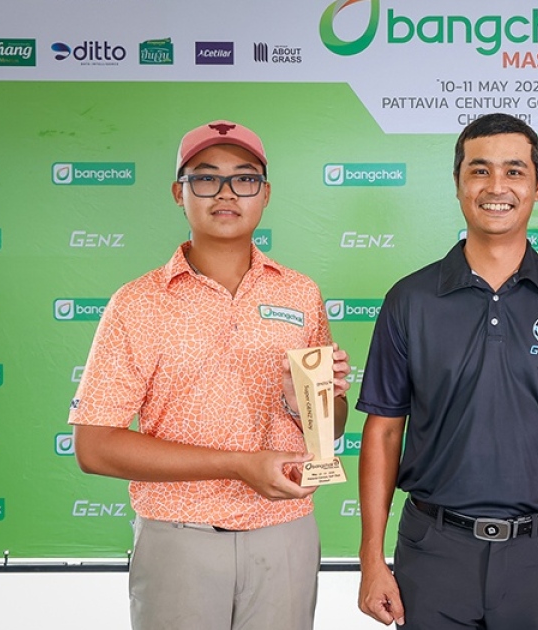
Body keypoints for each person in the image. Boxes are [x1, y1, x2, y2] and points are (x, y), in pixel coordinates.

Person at [68, 120, 350, 630]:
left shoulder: (300, 293)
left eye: (244, 178)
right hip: (178, 538)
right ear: (179, 193)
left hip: (284, 533)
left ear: (265, 194)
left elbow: (328, 432)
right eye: (205, 178)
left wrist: (305, 403)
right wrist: (238, 465)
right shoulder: (137, 303)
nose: (226, 192)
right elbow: (94, 447)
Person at [356, 113, 538, 629]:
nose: (496, 186)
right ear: (458, 182)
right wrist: (371, 557)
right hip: (432, 551)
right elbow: (384, 432)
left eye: (514, 171)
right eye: (479, 170)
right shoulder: (409, 299)